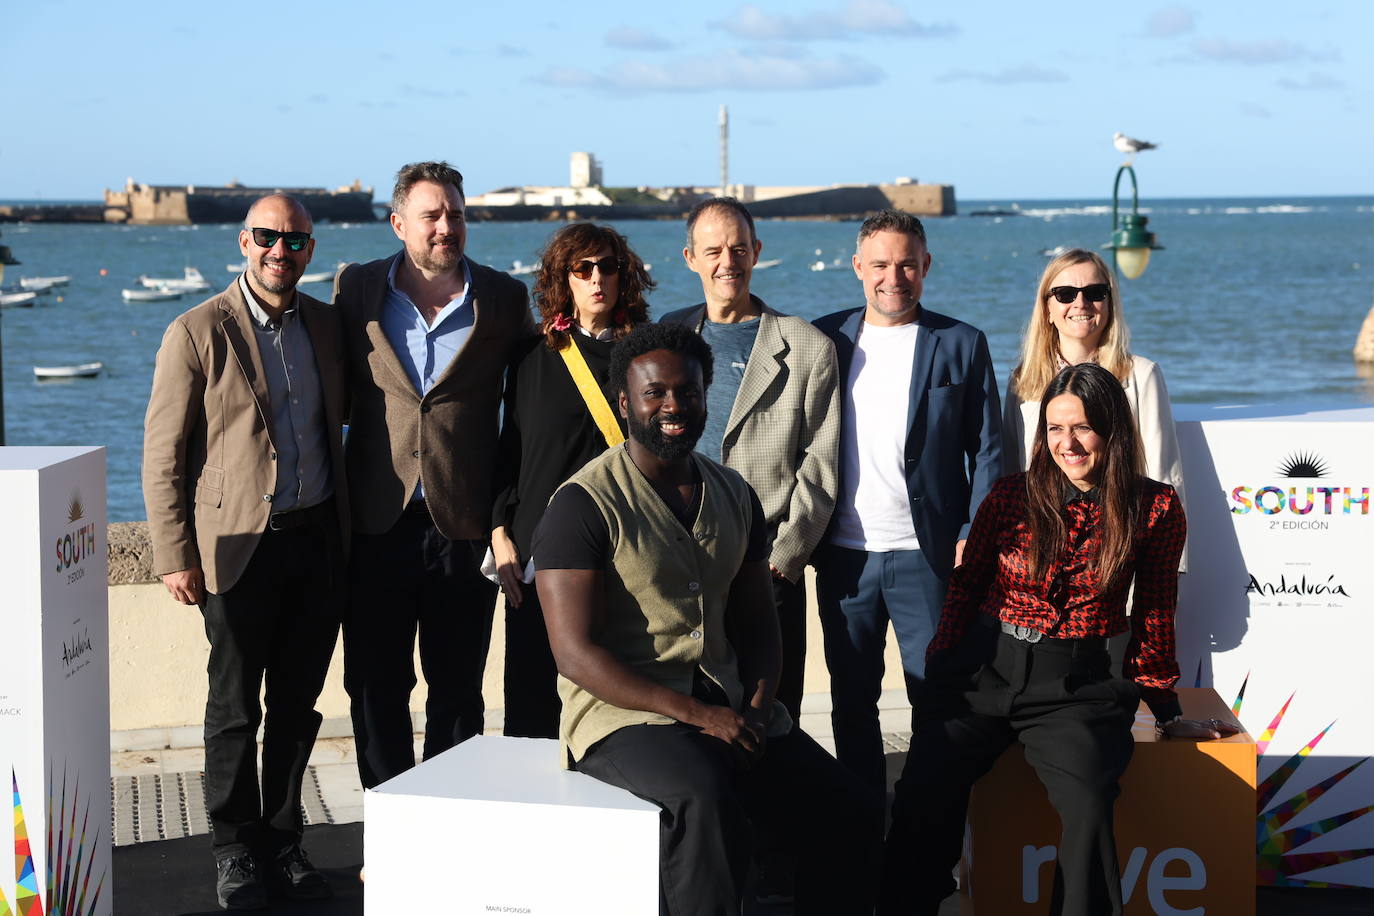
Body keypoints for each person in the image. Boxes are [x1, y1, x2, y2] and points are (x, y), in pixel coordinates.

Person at [533, 323, 880, 916]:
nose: (674, 406)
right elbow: (574, 654)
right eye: (654, 393)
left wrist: (757, 710)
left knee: (849, 809)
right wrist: (699, 716)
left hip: (729, 706)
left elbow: (758, 623)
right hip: (623, 718)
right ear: (625, 402)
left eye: (688, 392)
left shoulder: (734, 493)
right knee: (704, 801)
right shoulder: (581, 504)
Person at [880, 362, 1230, 916]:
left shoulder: (1156, 507)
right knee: (924, 787)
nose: (1067, 444)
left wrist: (1165, 709)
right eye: (1055, 429)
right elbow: (966, 587)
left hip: (1079, 687)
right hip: (986, 670)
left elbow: (1155, 610)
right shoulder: (1009, 496)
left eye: (1083, 428)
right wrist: (942, 669)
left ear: (1113, 430)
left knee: (1089, 803)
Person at [143, 194, 349, 908]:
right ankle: (234, 849)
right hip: (236, 550)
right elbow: (163, 455)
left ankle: (284, 841)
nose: (279, 251)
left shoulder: (326, 325)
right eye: (267, 237)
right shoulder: (196, 330)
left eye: (294, 241)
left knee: (297, 704)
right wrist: (174, 552)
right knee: (234, 709)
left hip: (316, 542)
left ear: (310, 250)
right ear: (243, 241)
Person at [334, 161, 533, 788]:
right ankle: (389, 818)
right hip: (376, 523)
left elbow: (529, 405)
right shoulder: (357, 289)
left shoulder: (503, 298)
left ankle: (451, 815)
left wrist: (506, 518)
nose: (446, 227)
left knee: (458, 688)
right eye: (431, 216)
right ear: (399, 224)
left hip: (463, 527)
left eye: (456, 214)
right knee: (375, 686)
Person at [812, 208, 1002, 793]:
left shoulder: (961, 343)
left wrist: (974, 534)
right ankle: (862, 819)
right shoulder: (824, 339)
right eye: (880, 265)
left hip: (930, 555)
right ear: (857, 267)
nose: (893, 278)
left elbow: (988, 450)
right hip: (845, 555)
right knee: (851, 699)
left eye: (906, 265)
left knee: (936, 696)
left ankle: (925, 820)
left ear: (926, 266)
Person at [660, 197, 840, 722]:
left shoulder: (806, 345)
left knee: (773, 716)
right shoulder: (671, 336)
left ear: (756, 251)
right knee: (691, 713)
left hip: (767, 566)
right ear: (690, 258)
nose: (728, 262)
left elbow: (821, 466)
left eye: (739, 249)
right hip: (680, 565)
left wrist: (784, 558)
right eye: (713, 251)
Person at [490, 222, 653, 738]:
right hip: (537, 555)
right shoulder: (530, 357)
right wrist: (499, 531)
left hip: (622, 552)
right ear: (563, 278)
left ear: (624, 275)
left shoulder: (647, 357)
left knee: (618, 703)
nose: (597, 278)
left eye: (608, 266)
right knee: (530, 705)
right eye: (582, 269)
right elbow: (511, 451)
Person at [1003, 248, 1186, 567]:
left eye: (1095, 292)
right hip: (1042, 551)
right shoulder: (1023, 381)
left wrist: (1169, 564)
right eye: (1065, 293)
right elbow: (1011, 472)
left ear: (1110, 304)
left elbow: (1163, 473)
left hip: (1117, 552)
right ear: (1047, 309)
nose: (1080, 303)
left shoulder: (1141, 376)